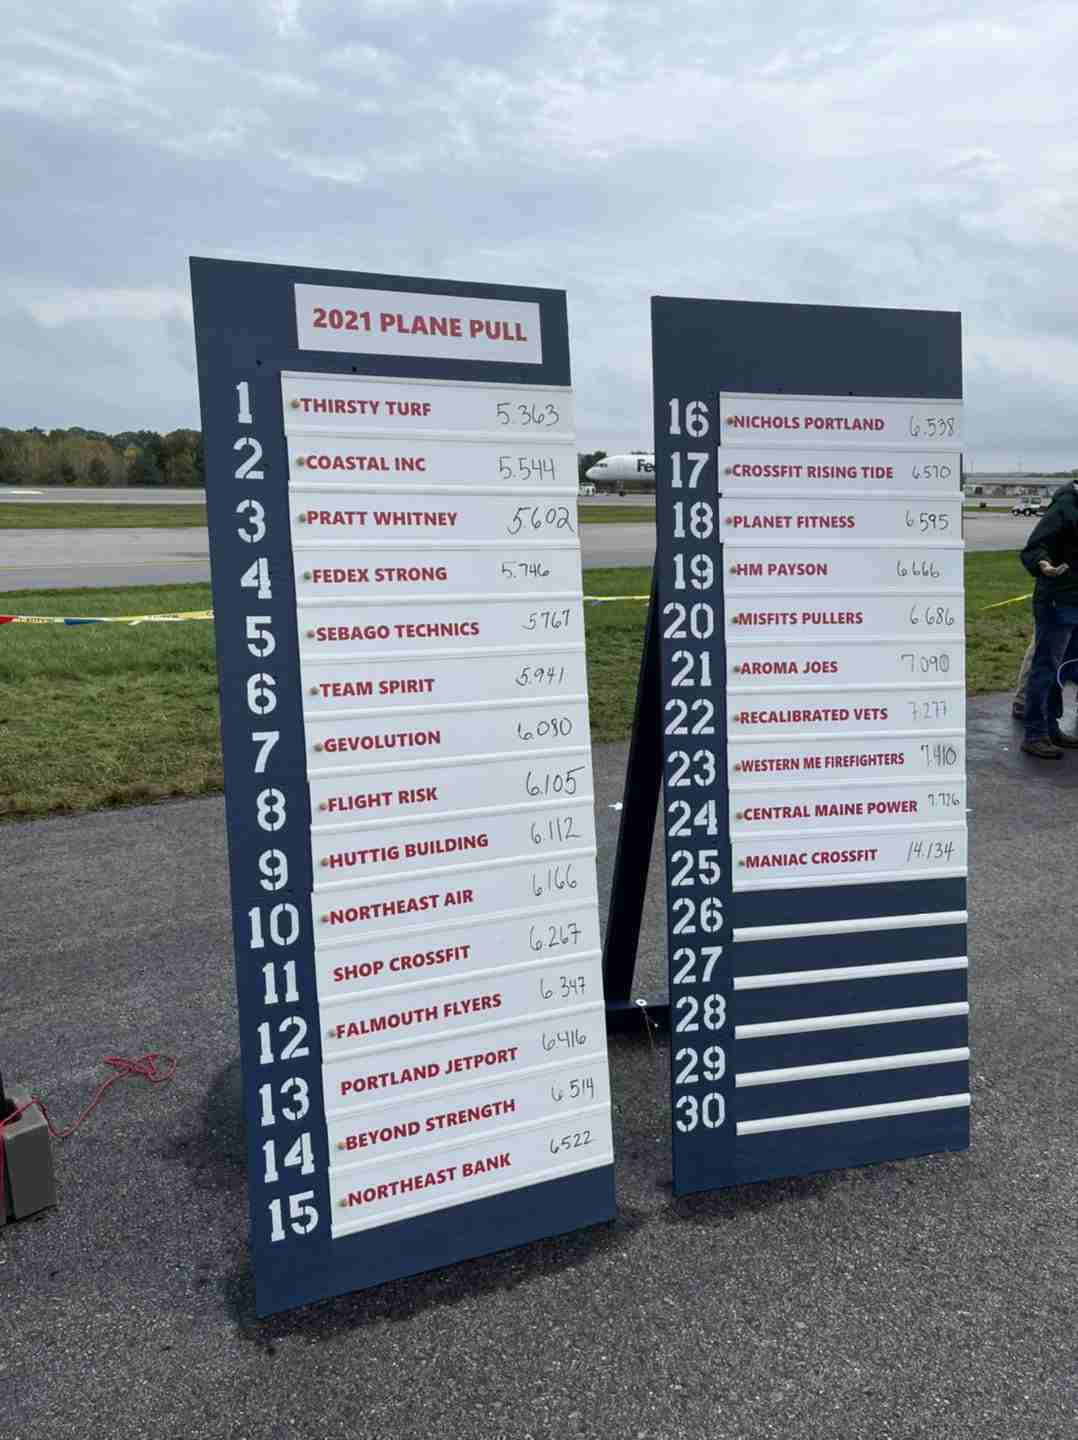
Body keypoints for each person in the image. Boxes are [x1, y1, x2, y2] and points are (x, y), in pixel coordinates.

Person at [1020, 480, 1078, 757]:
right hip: (1057, 599)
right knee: (1046, 666)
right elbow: (1033, 548)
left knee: (1063, 667)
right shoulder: (1066, 505)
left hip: (1075, 599)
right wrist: (1043, 564)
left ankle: (1051, 726)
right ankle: (1035, 733)